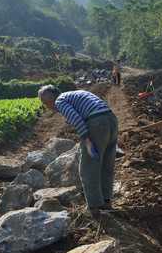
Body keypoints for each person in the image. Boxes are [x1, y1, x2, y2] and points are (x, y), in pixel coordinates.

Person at [38, 85, 118, 214]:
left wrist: (87, 142)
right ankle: (106, 201)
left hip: (96, 123)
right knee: (106, 164)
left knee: (88, 168)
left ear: (52, 95)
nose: (48, 107)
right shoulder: (74, 94)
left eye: (46, 102)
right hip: (111, 120)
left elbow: (76, 120)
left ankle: (94, 207)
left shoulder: (60, 100)